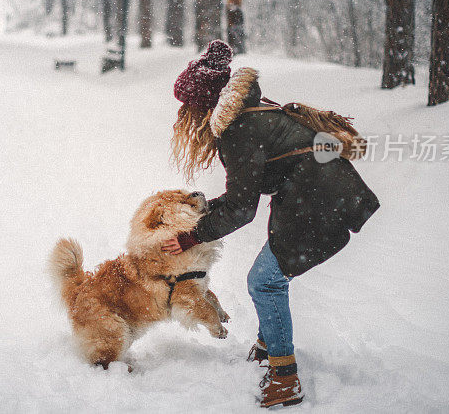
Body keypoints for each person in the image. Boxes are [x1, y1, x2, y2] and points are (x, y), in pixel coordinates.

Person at [162, 40, 380, 408]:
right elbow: (240, 198)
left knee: (264, 282)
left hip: (318, 198)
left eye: (188, 105)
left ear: (204, 105)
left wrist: (193, 236)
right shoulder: (248, 113)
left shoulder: (238, 130)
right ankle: (267, 349)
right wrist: (200, 216)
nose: (183, 114)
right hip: (318, 194)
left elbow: (242, 209)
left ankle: (284, 378)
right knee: (270, 278)